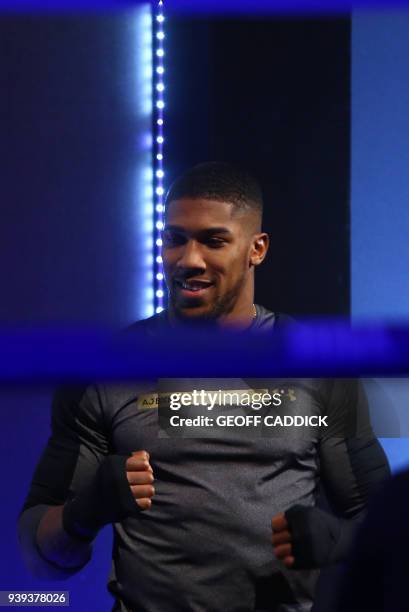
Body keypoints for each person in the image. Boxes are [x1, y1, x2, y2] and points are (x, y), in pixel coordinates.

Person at [18, 162, 390, 612]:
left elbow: (389, 533)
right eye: (175, 239)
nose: (188, 260)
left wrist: (342, 540)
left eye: (213, 241)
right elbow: (40, 559)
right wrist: (83, 515)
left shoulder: (318, 368)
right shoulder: (108, 368)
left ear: (257, 249)